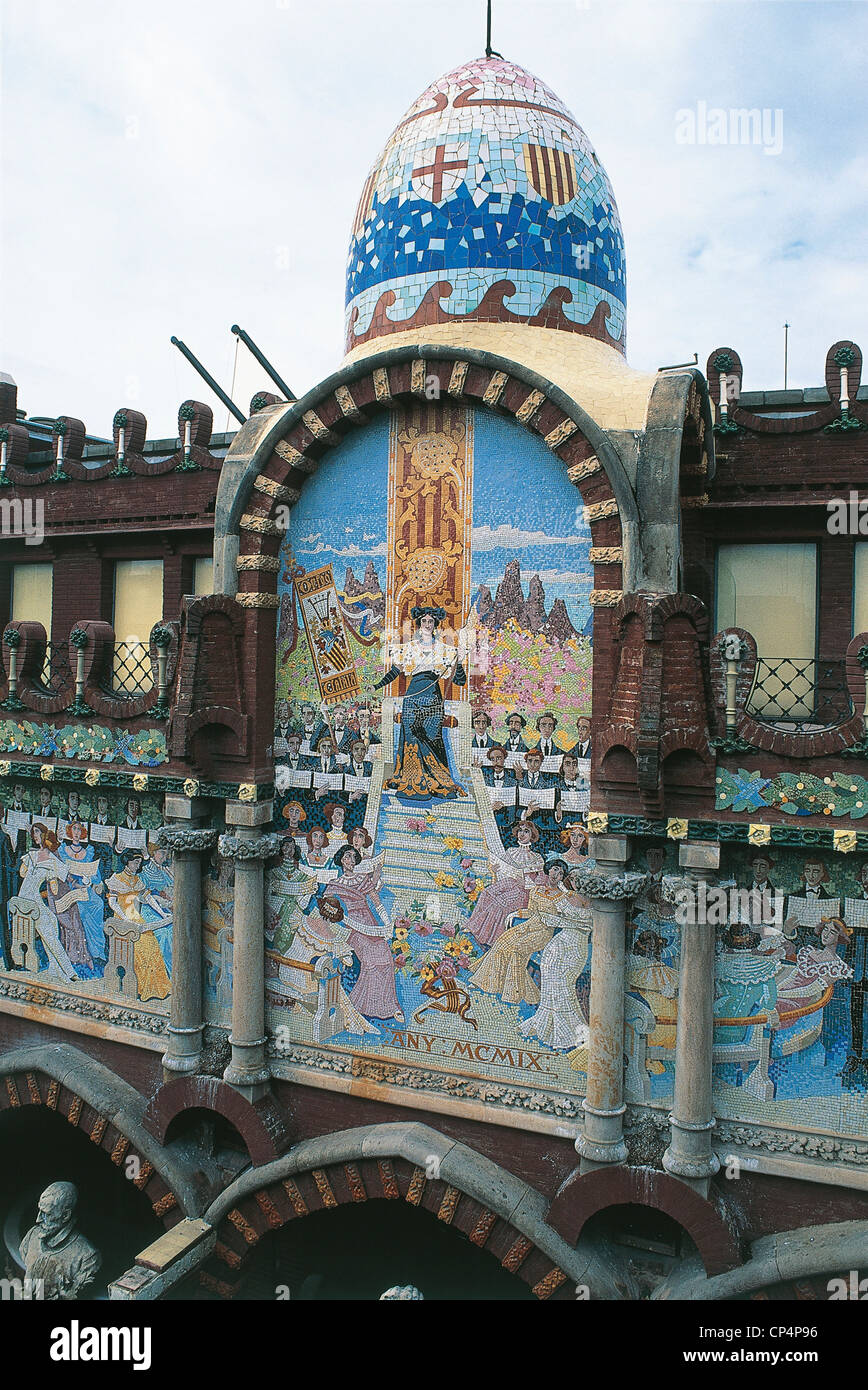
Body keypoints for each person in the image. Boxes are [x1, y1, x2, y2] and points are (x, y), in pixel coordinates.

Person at [374, 606, 466, 800]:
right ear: (419, 624)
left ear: (435, 624)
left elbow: (460, 681)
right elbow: (395, 671)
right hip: (413, 697)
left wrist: (459, 663)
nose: (427, 624)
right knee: (411, 736)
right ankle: (412, 781)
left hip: (433, 698)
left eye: (430, 621)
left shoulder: (445, 650)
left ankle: (436, 780)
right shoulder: (409, 649)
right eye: (424, 621)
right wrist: (377, 686)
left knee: (432, 737)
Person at [469, 858, 569, 1005]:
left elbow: (566, 917)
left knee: (517, 949)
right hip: (528, 925)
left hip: (543, 932)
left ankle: (513, 993)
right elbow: (531, 911)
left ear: (562, 878)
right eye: (555, 869)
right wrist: (515, 914)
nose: (555, 875)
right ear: (548, 870)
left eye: (560, 874)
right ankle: (485, 981)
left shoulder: (563, 897)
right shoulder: (536, 890)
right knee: (502, 942)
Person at [328, 846, 403, 1022]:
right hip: (351, 927)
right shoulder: (334, 884)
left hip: (370, 923)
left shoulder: (363, 879)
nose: (351, 860)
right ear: (341, 860)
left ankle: (390, 1006)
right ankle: (363, 1005)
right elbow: (330, 910)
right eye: (348, 856)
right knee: (370, 959)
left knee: (386, 957)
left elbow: (377, 903)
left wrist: (387, 923)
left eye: (354, 857)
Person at [15, 824, 81, 982]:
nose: (35, 836)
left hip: (31, 900)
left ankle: (55, 968)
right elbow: (22, 873)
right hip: (25, 903)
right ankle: (68, 972)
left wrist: (52, 881)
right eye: (33, 833)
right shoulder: (32, 855)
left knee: (52, 921)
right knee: (49, 931)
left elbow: (54, 889)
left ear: (45, 835)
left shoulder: (51, 861)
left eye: (37, 832)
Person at [465, 819, 544, 947]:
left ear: (532, 835)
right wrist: (495, 870)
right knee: (487, 893)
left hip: (524, 891)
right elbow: (504, 870)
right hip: (509, 882)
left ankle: (491, 939)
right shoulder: (511, 851)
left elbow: (541, 882)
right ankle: (474, 926)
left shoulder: (536, 857)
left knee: (499, 903)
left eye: (526, 831)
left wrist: (526, 882)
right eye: (520, 831)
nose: (522, 834)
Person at [106, 849, 171, 1002]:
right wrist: (125, 919)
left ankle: (156, 989)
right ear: (127, 862)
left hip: (136, 919)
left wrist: (163, 914)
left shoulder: (137, 880)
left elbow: (149, 899)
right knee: (141, 949)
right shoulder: (116, 879)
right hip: (121, 921)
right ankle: (143, 989)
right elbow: (112, 903)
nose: (137, 866)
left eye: (139, 863)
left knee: (152, 946)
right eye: (135, 863)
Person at [20, 1181, 101, 1301]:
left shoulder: (88, 1257)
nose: (38, 1219)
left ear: (65, 1216)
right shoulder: (32, 1235)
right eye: (39, 1211)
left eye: (46, 1214)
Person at [58, 823, 107, 974]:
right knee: (80, 910)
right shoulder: (63, 850)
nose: (77, 832)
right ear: (69, 831)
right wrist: (72, 882)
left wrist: (89, 879)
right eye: (74, 829)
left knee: (98, 903)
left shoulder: (88, 852)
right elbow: (59, 873)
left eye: (79, 829)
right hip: (69, 890)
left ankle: (97, 951)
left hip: (86, 889)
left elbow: (96, 876)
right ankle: (82, 953)